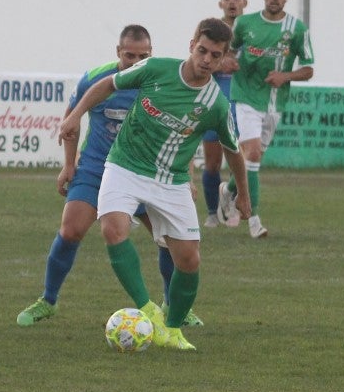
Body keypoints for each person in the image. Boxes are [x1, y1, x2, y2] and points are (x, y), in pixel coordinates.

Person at [57, 18, 252, 351]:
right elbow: (107, 85)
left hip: (170, 181)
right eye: (202, 50)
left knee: (189, 261)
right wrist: (75, 115)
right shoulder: (157, 69)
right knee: (112, 229)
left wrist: (243, 195)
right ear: (191, 44)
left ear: (223, 60)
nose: (206, 60)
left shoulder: (216, 105)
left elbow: (233, 153)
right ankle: (148, 309)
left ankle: (172, 328)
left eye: (215, 55)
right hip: (125, 165)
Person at [16, 26, 201, 329]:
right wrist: (68, 165)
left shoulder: (160, 83)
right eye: (130, 55)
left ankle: (173, 305)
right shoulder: (97, 79)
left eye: (143, 56)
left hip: (147, 172)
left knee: (171, 240)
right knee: (70, 230)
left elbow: (181, 136)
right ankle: (47, 301)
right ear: (118, 52)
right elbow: (71, 118)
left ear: (151, 54)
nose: (136, 61)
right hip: (97, 168)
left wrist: (188, 178)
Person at [217, 0, 315, 239]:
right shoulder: (245, 24)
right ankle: (254, 220)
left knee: (251, 159)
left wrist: (286, 76)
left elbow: (308, 69)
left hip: (274, 103)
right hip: (245, 97)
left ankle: (228, 191)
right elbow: (229, 51)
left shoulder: (296, 29)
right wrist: (226, 60)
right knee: (254, 154)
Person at [200, 0, 246, 227]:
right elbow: (198, 62)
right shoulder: (210, 30)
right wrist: (220, 63)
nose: (231, 2)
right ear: (220, 3)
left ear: (245, 3)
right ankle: (211, 212)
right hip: (214, 100)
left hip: (243, 102)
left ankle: (233, 202)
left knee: (243, 158)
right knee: (213, 162)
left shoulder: (252, 31)